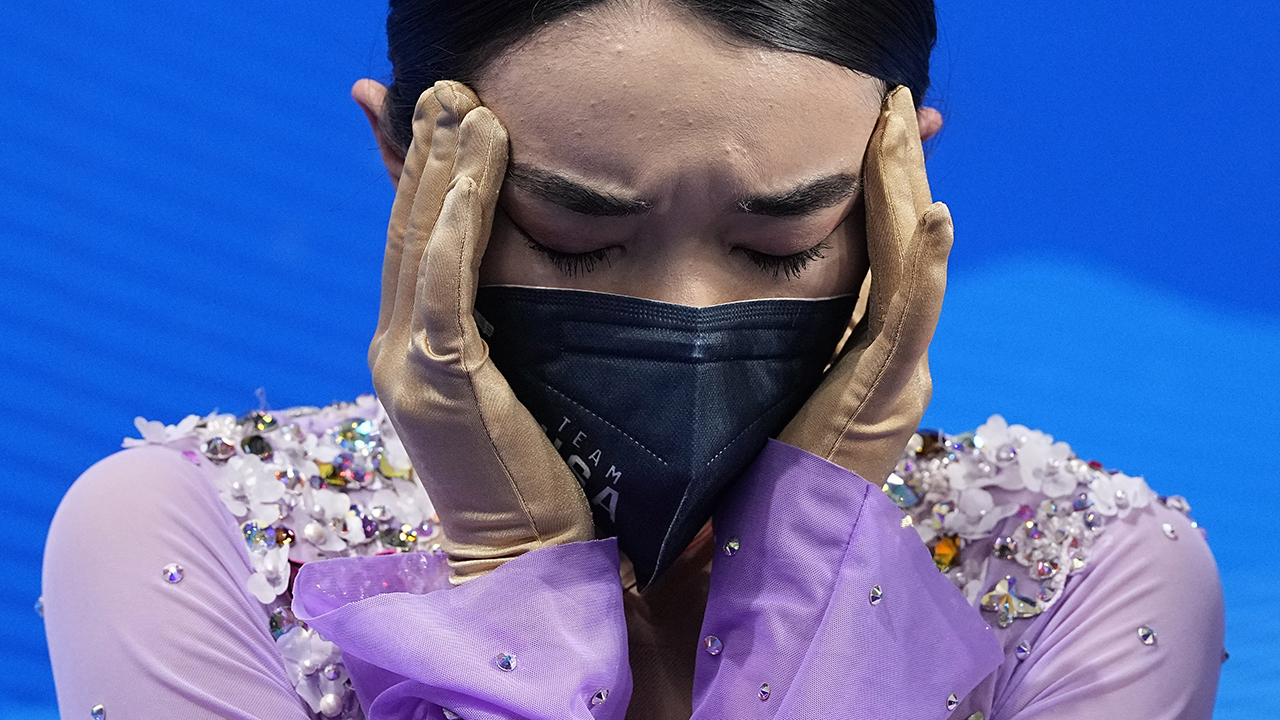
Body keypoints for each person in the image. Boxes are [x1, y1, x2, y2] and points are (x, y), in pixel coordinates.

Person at [41, 1, 1225, 718]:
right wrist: (512, 581)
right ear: (406, 163)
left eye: (779, 243)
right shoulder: (195, 534)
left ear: (894, 190)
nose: (685, 310)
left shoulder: (1083, 570)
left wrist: (812, 554)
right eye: (573, 234)